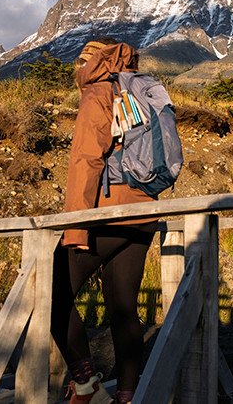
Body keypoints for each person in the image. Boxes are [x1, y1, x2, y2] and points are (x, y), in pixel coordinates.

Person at [50, 39, 158, 404]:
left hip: (108, 213)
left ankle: (85, 385)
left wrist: (75, 227)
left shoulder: (98, 92)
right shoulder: (144, 91)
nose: (75, 69)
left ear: (92, 61)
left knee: (51, 292)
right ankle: (127, 396)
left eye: (79, 61)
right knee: (124, 307)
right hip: (144, 212)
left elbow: (86, 161)